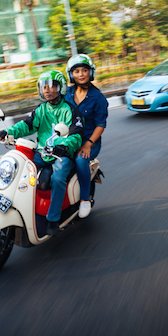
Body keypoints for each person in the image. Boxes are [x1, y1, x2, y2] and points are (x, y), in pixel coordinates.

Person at [0, 70, 84, 235]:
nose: (47, 90)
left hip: (61, 155)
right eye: (44, 87)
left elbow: (76, 135)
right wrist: (10, 133)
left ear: (61, 88)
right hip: (43, 153)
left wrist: (64, 146)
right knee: (21, 171)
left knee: (57, 179)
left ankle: (53, 219)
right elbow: (27, 125)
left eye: (51, 86)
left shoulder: (70, 110)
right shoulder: (41, 109)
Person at [64, 54, 108, 219]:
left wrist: (89, 144)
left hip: (90, 141)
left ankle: (84, 200)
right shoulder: (66, 94)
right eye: (77, 71)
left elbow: (100, 125)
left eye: (85, 70)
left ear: (91, 73)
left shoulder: (98, 98)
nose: (81, 74)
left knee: (81, 160)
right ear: (71, 75)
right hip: (69, 139)